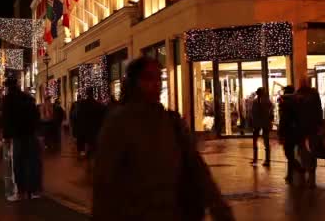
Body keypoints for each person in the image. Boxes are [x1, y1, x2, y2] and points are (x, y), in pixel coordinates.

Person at [93, 57, 234, 221]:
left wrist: (218, 206)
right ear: (134, 83)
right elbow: (104, 180)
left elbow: (197, 167)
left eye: (158, 78)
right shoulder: (118, 123)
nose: (156, 84)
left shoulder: (172, 122)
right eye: (148, 78)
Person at [3, 77, 42, 201]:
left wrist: (7, 136)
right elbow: (36, 115)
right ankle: (34, 190)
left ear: (8, 87)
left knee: (17, 163)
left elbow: (7, 119)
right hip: (30, 133)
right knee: (32, 162)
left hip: (17, 135)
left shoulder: (8, 100)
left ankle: (20, 191)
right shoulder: (28, 98)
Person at [295, 77, 325, 188]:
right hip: (307, 128)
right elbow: (319, 110)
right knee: (309, 152)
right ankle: (310, 176)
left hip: (307, 128)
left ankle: (310, 176)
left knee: (308, 151)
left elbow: (318, 110)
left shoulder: (303, 94)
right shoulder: (307, 94)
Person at [278, 85, 303, 184]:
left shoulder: (286, 103)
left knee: (289, 153)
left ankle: (297, 168)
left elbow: (284, 119)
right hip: (297, 131)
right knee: (291, 153)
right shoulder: (298, 101)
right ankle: (290, 174)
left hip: (288, 132)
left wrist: (280, 132)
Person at [251, 87, 273, 167]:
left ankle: (261, 159)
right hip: (261, 123)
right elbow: (253, 113)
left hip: (261, 123)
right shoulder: (265, 101)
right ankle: (260, 159)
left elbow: (253, 113)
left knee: (261, 141)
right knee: (261, 141)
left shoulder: (260, 101)